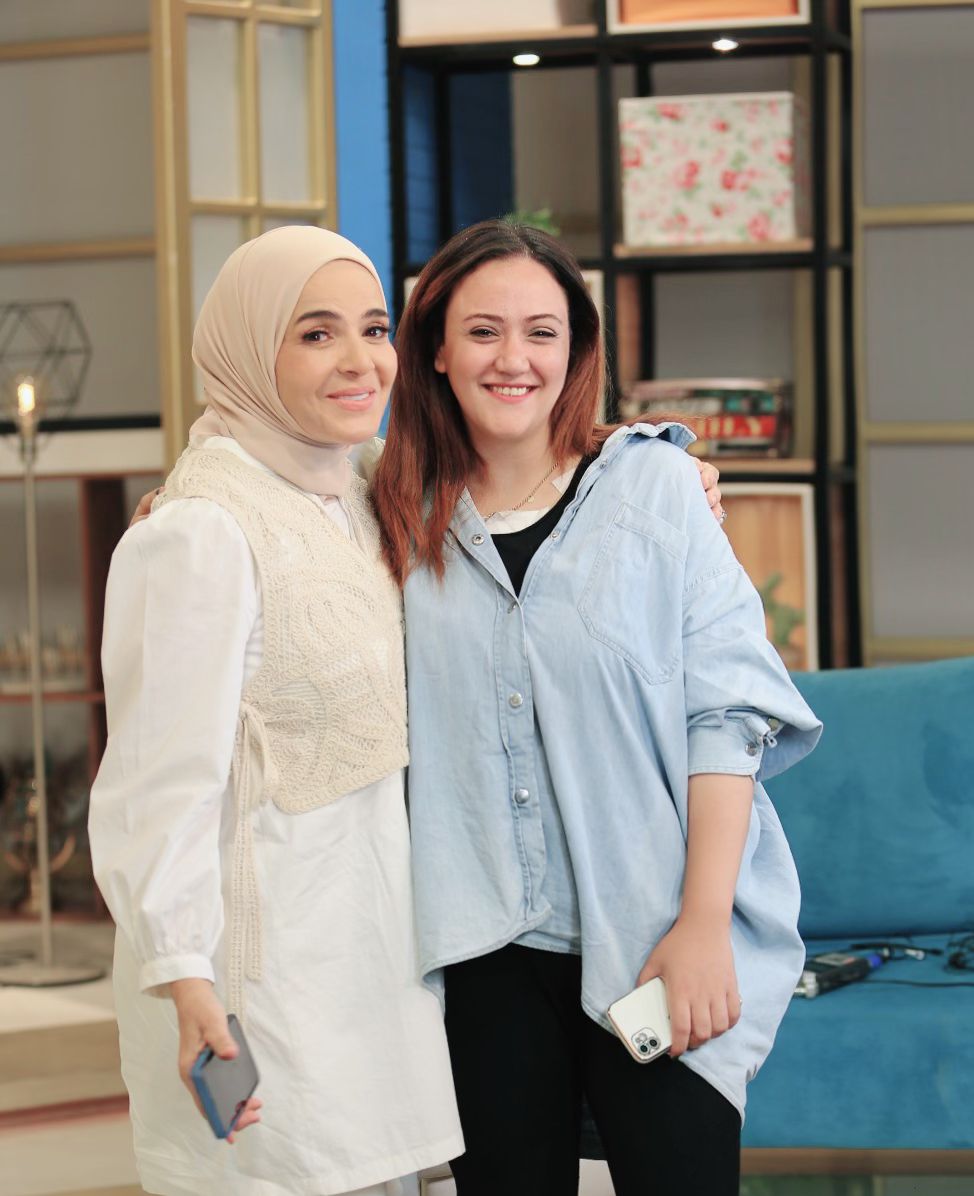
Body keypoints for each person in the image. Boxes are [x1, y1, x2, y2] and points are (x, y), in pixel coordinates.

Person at [370, 219, 823, 1196]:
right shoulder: (392, 508)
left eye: (542, 331)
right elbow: (267, 503)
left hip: (653, 929)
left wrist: (702, 921)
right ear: (436, 348)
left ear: (575, 347)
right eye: (483, 330)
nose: (514, 358)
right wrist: (177, 510)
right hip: (480, 948)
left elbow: (726, 716)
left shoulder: (655, 486)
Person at [88, 226, 464, 1196]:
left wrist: (652, 459)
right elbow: (158, 784)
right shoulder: (199, 532)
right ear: (250, 352)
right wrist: (184, 975)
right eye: (315, 333)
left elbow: (514, 469)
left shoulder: (356, 485)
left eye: (374, 328)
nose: (360, 360)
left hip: (371, 954)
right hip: (262, 972)